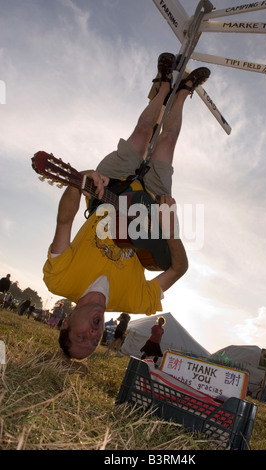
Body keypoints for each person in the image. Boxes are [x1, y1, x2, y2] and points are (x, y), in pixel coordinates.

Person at [43, 52, 210, 360]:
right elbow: (178, 268)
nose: (94, 335)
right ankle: (184, 91)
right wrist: (170, 230)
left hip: (110, 185)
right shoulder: (133, 301)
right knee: (168, 141)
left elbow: (64, 220)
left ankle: (162, 86)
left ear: (65, 322)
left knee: (144, 133)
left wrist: (80, 179)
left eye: (82, 336)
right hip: (152, 201)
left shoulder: (59, 280)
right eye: (93, 343)